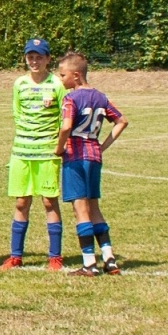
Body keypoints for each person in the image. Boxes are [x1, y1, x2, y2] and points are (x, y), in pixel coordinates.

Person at [56, 52, 129, 276]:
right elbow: (121, 121)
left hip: (76, 157)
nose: (60, 80)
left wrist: (59, 147)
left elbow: (67, 126)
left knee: (80, 209)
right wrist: (103, 145)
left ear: (76, 76)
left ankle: (89, 263)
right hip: (94, 156)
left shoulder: (71, 98)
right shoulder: (100, 97)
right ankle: (109, 258)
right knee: (94, 207)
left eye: (63, 75)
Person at [2, 38, 66, 271]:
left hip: (47, 153)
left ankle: (55, 257)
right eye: (30, 57)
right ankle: (16, 256)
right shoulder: (19, 84)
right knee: (21, 202)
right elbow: (17, 113)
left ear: (48, 59)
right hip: (22, 152)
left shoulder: (57, 84)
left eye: (39, 57)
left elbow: (63, 118)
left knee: (49, 202)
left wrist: (56, 145)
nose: (34, 61)